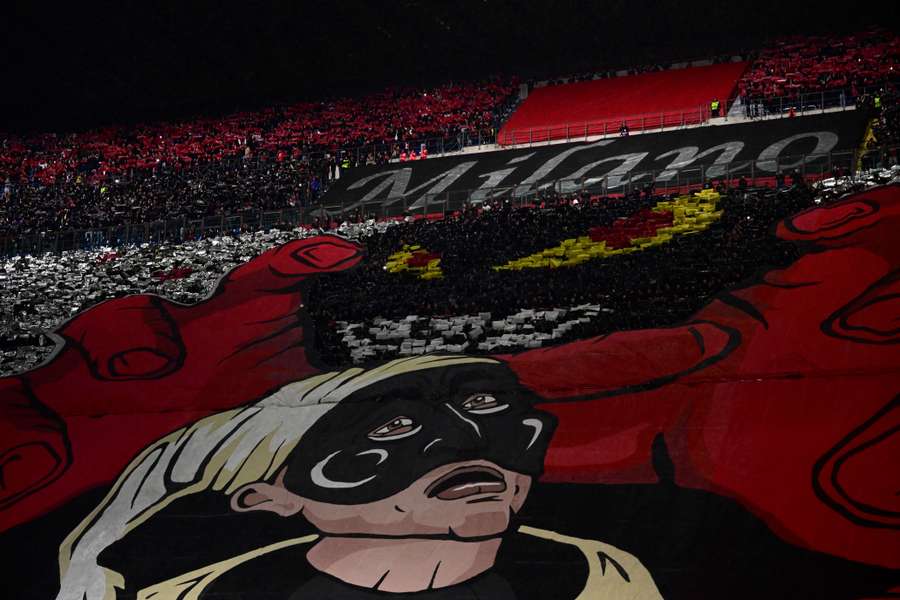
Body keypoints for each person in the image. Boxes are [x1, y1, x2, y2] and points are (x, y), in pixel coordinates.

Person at [58, 356, 662, 599]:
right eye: (394, 426)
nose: (466, 439)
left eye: (483, 407)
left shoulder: (607, 581)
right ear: (269, 495)